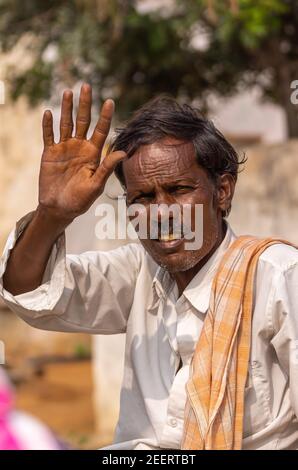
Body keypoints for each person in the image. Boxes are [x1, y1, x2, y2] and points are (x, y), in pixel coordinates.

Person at [0, 84, 298, 450]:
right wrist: (52, 215)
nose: (162, 213)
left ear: (222, 192)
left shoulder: (278, 278)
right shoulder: (136, 273)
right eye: (142, 198)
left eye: (179, 189)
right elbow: (29, 293)